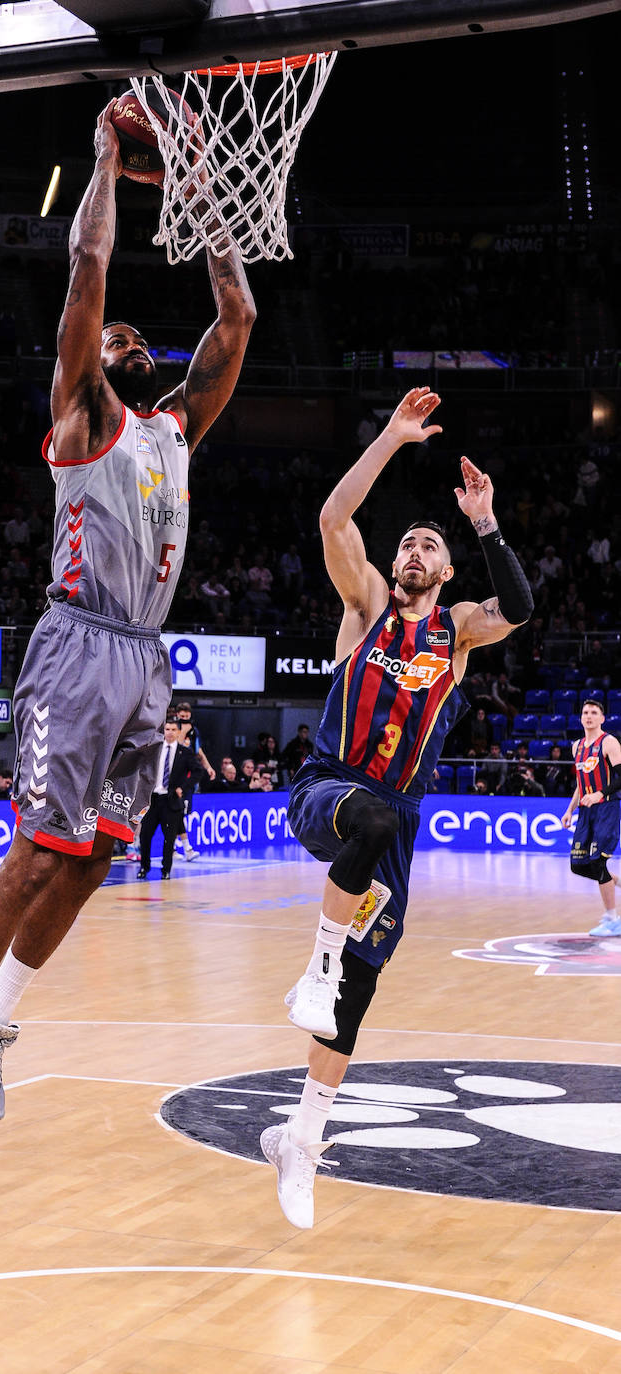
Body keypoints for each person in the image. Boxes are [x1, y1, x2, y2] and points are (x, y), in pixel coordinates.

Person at [0, 100, 255, 1142]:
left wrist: (207, 201)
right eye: (115, 336)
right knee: (33, 853)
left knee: (100, 854)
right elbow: (86, 273)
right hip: (76, 646)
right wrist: (107, 158)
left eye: (137, 335)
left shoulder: (175, 429)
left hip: (144, 659)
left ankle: (2, 1023)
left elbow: (235, 320)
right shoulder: (85, 414)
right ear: (89, 363)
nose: (129, 336)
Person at [261, 387, 533, 1228]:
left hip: (397, 825)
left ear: (448, 572)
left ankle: (300, 1141)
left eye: (429, 545)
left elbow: (519, 608)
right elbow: (334, 517)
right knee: (369, 822)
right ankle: (314, 964)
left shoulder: (456, 632)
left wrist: (484, 523)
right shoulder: (366, 606)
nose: (415, 549)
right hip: (329, 789)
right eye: (408, 541)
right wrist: (390, 438)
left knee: (359, 995)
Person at [561, 700, 621, 938]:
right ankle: (614, 881)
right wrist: (569, 810)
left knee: (597, 862)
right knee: (578, 864)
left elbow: (620, 779)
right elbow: (580, 784)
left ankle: (612, 918)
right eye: (585, 712)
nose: (589, 716)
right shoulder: (576, 747)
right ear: (580, 717)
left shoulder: (609, 742)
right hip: (586, 811)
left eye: (594, 712)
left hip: (607, 808)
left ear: (602, 718)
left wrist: (600, 794)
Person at [138, 720, 201, 879]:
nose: (170, 732)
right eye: (167, 729)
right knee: (145, 836)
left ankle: (166, 870)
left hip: (171, 800)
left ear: (179, 732)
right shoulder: (155, 750)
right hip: (152, 800)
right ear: (163, 731)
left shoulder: (185, 752)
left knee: (169, 839)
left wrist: (183, 787)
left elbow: (198, 772)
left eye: (173, 729)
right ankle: (144, 867)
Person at [173, 702, 215, 860]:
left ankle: (175, 848)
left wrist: (208, 767)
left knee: (180, 813)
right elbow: (174, 747)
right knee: (175, 812)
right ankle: (185, 848)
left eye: (186, 716)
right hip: (173, 777)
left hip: (188, 778)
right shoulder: (173, 729)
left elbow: (198, 752)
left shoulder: (194, 731)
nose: (184, 718)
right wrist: (183, 730)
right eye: (181, 716)